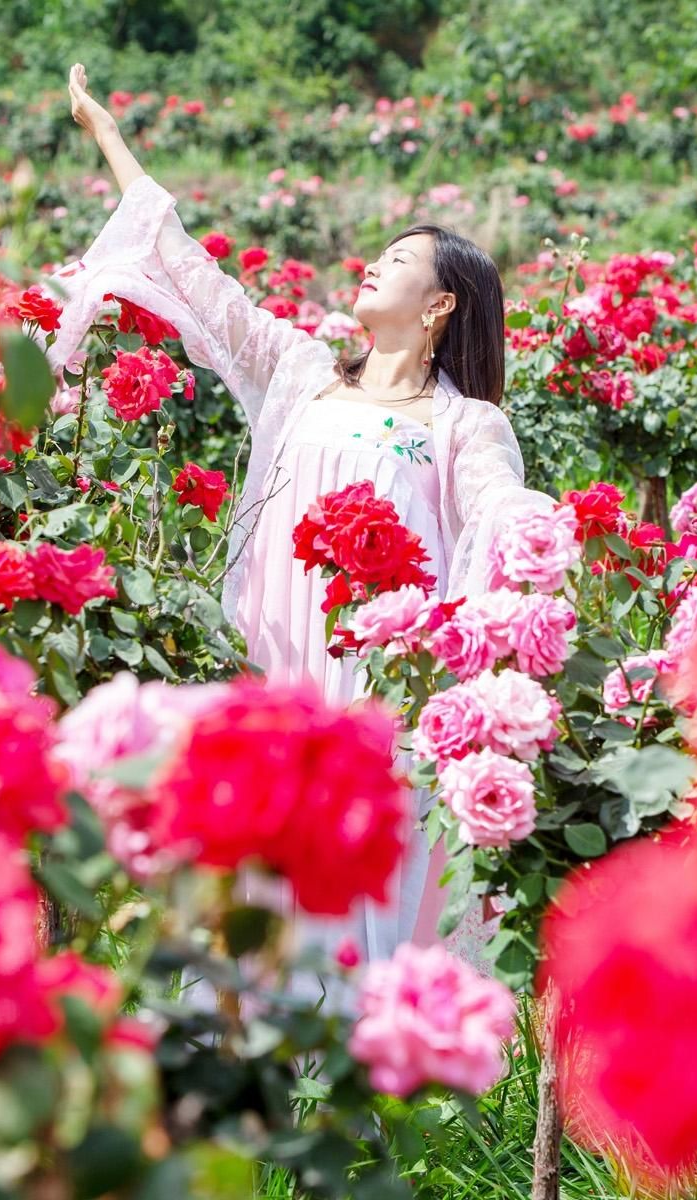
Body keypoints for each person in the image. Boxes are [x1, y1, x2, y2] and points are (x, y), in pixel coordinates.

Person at [46, 64, 556, 972]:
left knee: (356, 901)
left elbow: (499, 513)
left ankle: (359, 1087)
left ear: (440, 304)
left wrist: (536, 540)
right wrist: (108, 137)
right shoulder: (302, 373)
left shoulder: (466, 424)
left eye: (400, 260)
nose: (374, 263)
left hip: (377, 698)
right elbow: (191, 273)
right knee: (256, 896)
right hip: (279, 668)